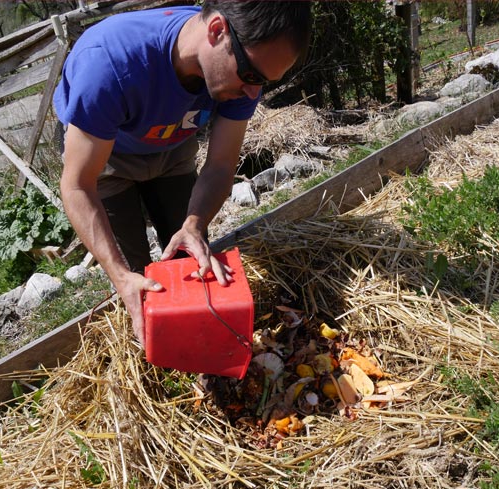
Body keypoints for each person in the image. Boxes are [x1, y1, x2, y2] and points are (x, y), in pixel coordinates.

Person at [55, 1, 312, 343]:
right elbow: (77, 185)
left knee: (188, 254)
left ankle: (199, 344)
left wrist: (194, 224)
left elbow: (221, 165)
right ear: (217, 31)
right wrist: (120, 277)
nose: (254, 93)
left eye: (263, 82)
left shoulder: (242, 69)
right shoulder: (108, 64)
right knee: (136, 276)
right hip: (107, 158)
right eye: (252, 77)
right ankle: (159, 353)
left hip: (172, 148)